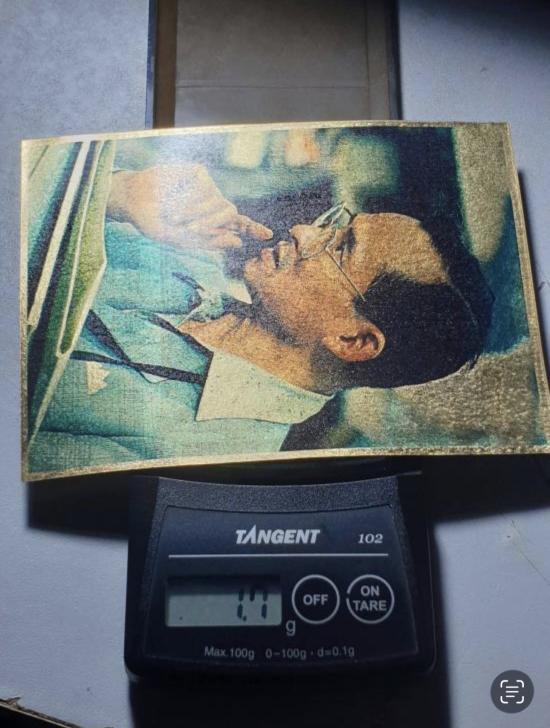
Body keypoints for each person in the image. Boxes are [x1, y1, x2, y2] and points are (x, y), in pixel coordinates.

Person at [27, 162, 492, 474]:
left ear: (352, 340)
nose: (304, 231)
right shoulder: (193, 256)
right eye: (335, 225)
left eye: (340, 248)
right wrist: (117, 190)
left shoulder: (189, 459)